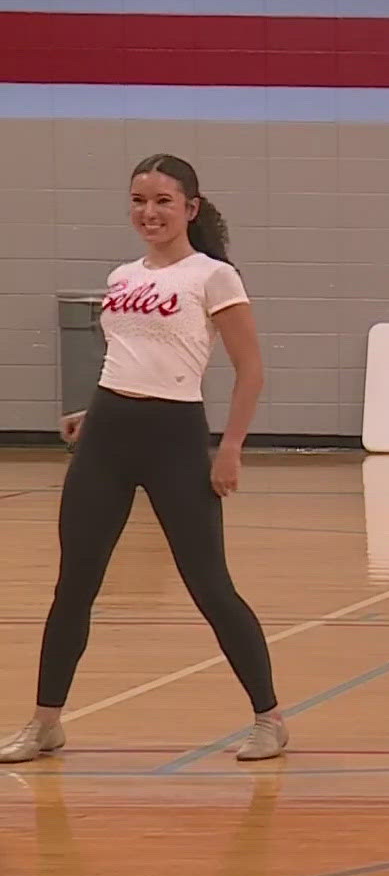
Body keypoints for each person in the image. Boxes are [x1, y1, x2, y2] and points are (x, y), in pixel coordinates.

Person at [0, 153, 286, 765]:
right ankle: (46, 722)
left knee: (209, 585)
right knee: (74, 584)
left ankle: (269, 718)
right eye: (138, 200)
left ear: (191, 208)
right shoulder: (122, 275)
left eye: (162, 201)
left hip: (176, 440)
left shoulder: (213, 277)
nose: (148, 212)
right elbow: (129, 357)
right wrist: (93, 412)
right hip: (106, 436)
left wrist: (230, 448)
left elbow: (251, 370)